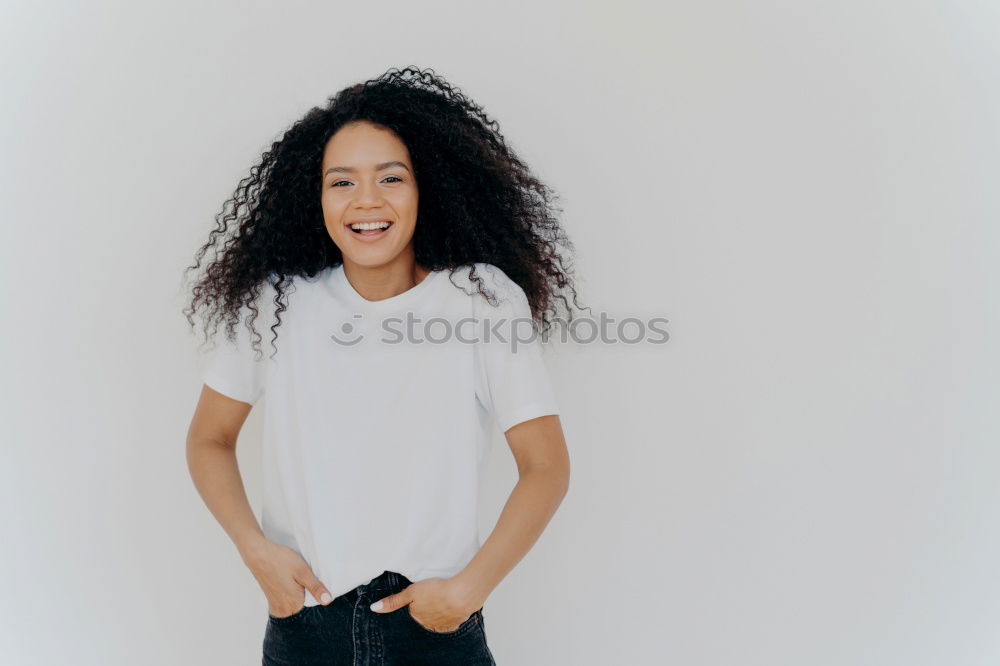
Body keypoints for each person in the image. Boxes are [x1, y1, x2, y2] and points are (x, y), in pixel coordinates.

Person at [183, 66, 587, 665]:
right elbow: (210, 439)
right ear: (314, 196)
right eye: (341, 181)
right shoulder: (275, 304)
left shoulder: (480, 299)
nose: (366, 201)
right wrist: (256, 551)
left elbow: (546, 465)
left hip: (432, 630)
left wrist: (466, 592)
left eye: (390, 178)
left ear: (429, 188)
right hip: (304, 628)